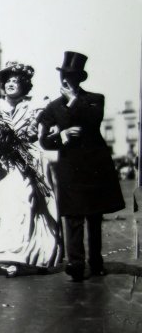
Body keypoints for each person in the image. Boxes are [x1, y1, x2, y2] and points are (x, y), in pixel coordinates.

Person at [38, 51, 125, 281]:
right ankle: (75, 263)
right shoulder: (52, 107)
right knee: (73, 215)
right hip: (70, 167)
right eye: (64, 75)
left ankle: (95, 262)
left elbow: (93, 120)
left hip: (94, 165)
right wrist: (63, 135)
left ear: (79, 79)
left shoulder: (95, 99)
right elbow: (44, 141)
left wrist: (74, 100)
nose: (66, 80)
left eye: (72, 76)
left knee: (94, 216)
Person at [0, 62, 61, 276]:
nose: (11, 84)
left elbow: (37, 133)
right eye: (8, 80)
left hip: (26, 163)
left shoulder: (35, 107)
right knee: (6, 208)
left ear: (24, 86)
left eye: (16, 81)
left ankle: (22, 256)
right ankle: (6, 254)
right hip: (4, 165)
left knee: (25, 205)